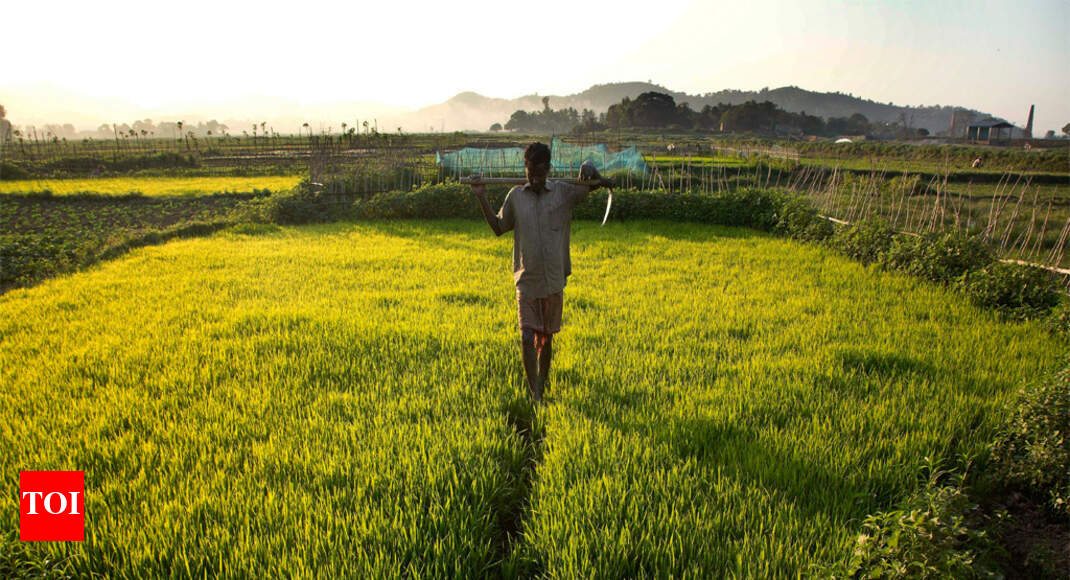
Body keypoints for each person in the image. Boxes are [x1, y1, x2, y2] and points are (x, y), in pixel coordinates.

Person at [468, 142, 613, 402]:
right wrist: (480, 196)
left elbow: (593, 184)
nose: (534, 178)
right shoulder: (515, 196)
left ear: (548, 169)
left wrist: (590, 169)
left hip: (553, 281)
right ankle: (534, 393)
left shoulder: (563, 193)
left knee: (546, 340)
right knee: (526, 337)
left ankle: (542, 387)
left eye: (539, 173)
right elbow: (499, 227)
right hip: (526, 281)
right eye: (530, 172)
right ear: (525, 168)